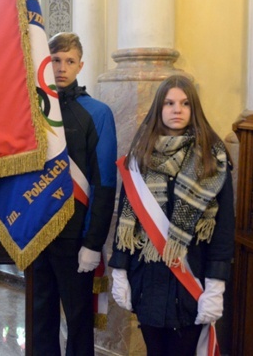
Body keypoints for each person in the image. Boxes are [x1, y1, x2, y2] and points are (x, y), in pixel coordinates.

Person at [108, 75, 234, 356]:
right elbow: (125, 227)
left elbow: (223, 230)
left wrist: (215, 287)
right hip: (147, 284)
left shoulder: (213, 158)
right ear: (158, 109)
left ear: (194, 109)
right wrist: (120, 272)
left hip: (191, 282)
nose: (177, 109)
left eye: (185, 103)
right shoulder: (139, 157)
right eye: (169, 103)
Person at [32, 33, 117, 355]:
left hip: (75, 235)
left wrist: (92, 243)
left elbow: (104, 182)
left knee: (79, 319)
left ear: (81, 65)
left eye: (69, 61)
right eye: (55, 60)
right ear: (46, 62)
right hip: (38, 230)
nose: (62, 68)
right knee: (41, 315)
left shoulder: (97, 113)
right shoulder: (35, 111)